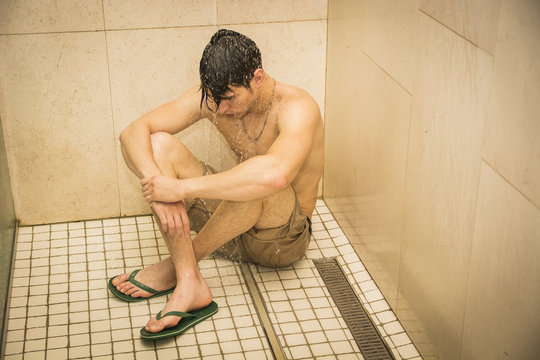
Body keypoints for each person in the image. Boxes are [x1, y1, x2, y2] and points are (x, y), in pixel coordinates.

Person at [108, 29, 324, 339]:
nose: (221, 109)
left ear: (258, 78)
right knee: (157, 146)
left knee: (259, 177)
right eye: (214, 99)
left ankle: (178, 264)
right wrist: (157, 187)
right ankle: (189, 281)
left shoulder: (297, 106)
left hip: (279, 240)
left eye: (229, 98)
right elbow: (132, 132)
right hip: (230, 227)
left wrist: (180, 189)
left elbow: (275, 175)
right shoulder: (214, 97)